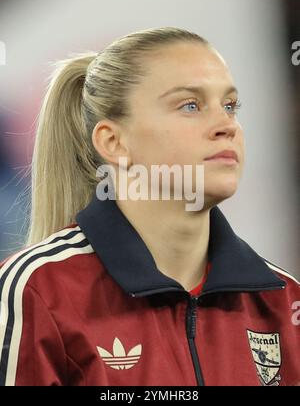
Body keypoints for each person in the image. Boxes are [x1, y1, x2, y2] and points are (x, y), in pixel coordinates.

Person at [0, 27, 299, 387]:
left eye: (230, 106)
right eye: (190, 105)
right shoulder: (36, 291)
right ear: (114, 142)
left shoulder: (285, 301)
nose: (227, 126)